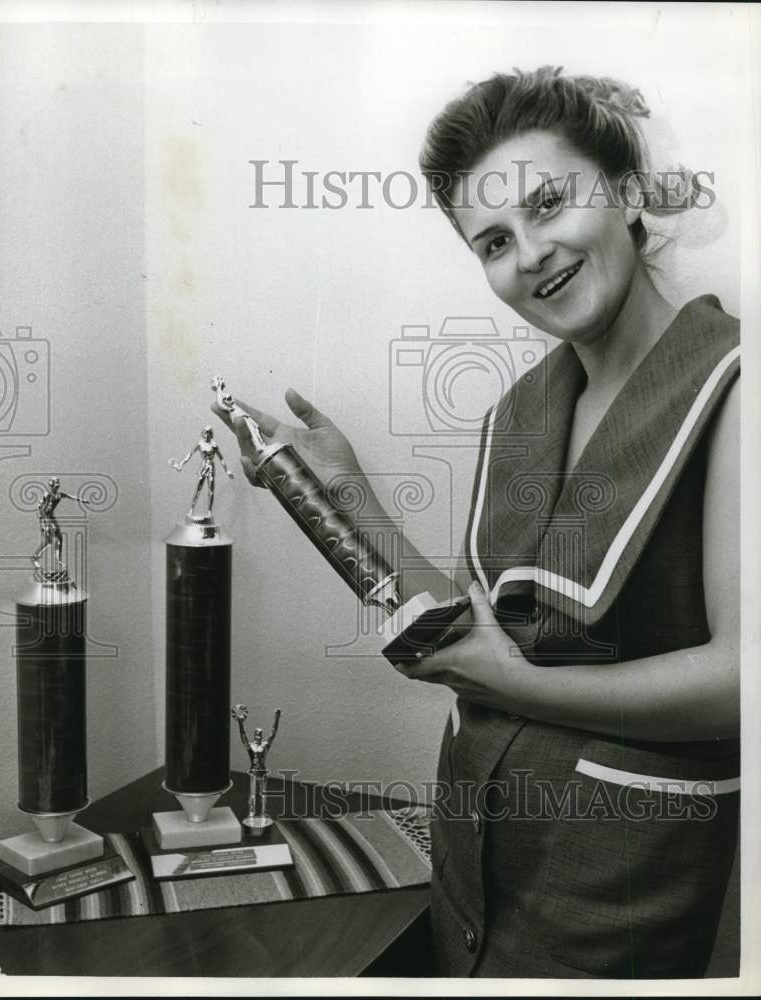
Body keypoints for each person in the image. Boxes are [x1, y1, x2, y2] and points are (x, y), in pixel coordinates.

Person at [214, 67, 739, 978]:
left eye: (548, 204)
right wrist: (352, 501)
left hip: (616, 894)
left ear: (624, 190)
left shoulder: (735, 382)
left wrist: (517, 687)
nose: (528, 253)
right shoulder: (523, 408)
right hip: (470, 865)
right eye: (493, 240)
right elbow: (486, 637)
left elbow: (743, 681)